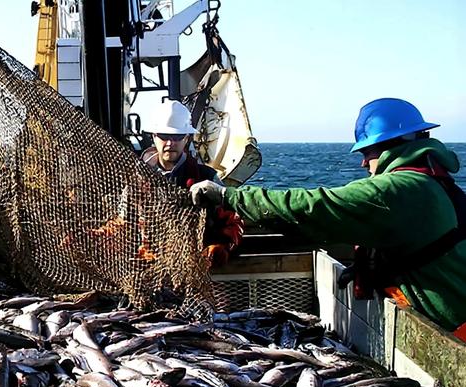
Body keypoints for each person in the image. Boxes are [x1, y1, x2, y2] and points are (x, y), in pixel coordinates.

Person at [190, 98, 466, 339]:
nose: (363, 163)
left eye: (366, 152)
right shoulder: (429, 181)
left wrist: (230, 197)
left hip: (457, 333)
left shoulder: (399, 189)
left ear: (391, 145)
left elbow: (315, 206)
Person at [143, 100, 243, 266]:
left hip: (196, 268)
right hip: (149, 271)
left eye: (177, 137)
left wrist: (223, 246)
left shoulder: (207, 179)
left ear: (186, 138)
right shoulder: (137, 180)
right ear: (153, 136)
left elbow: (233, 221)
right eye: (164, 136)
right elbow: (123, 222)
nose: (170, 143)